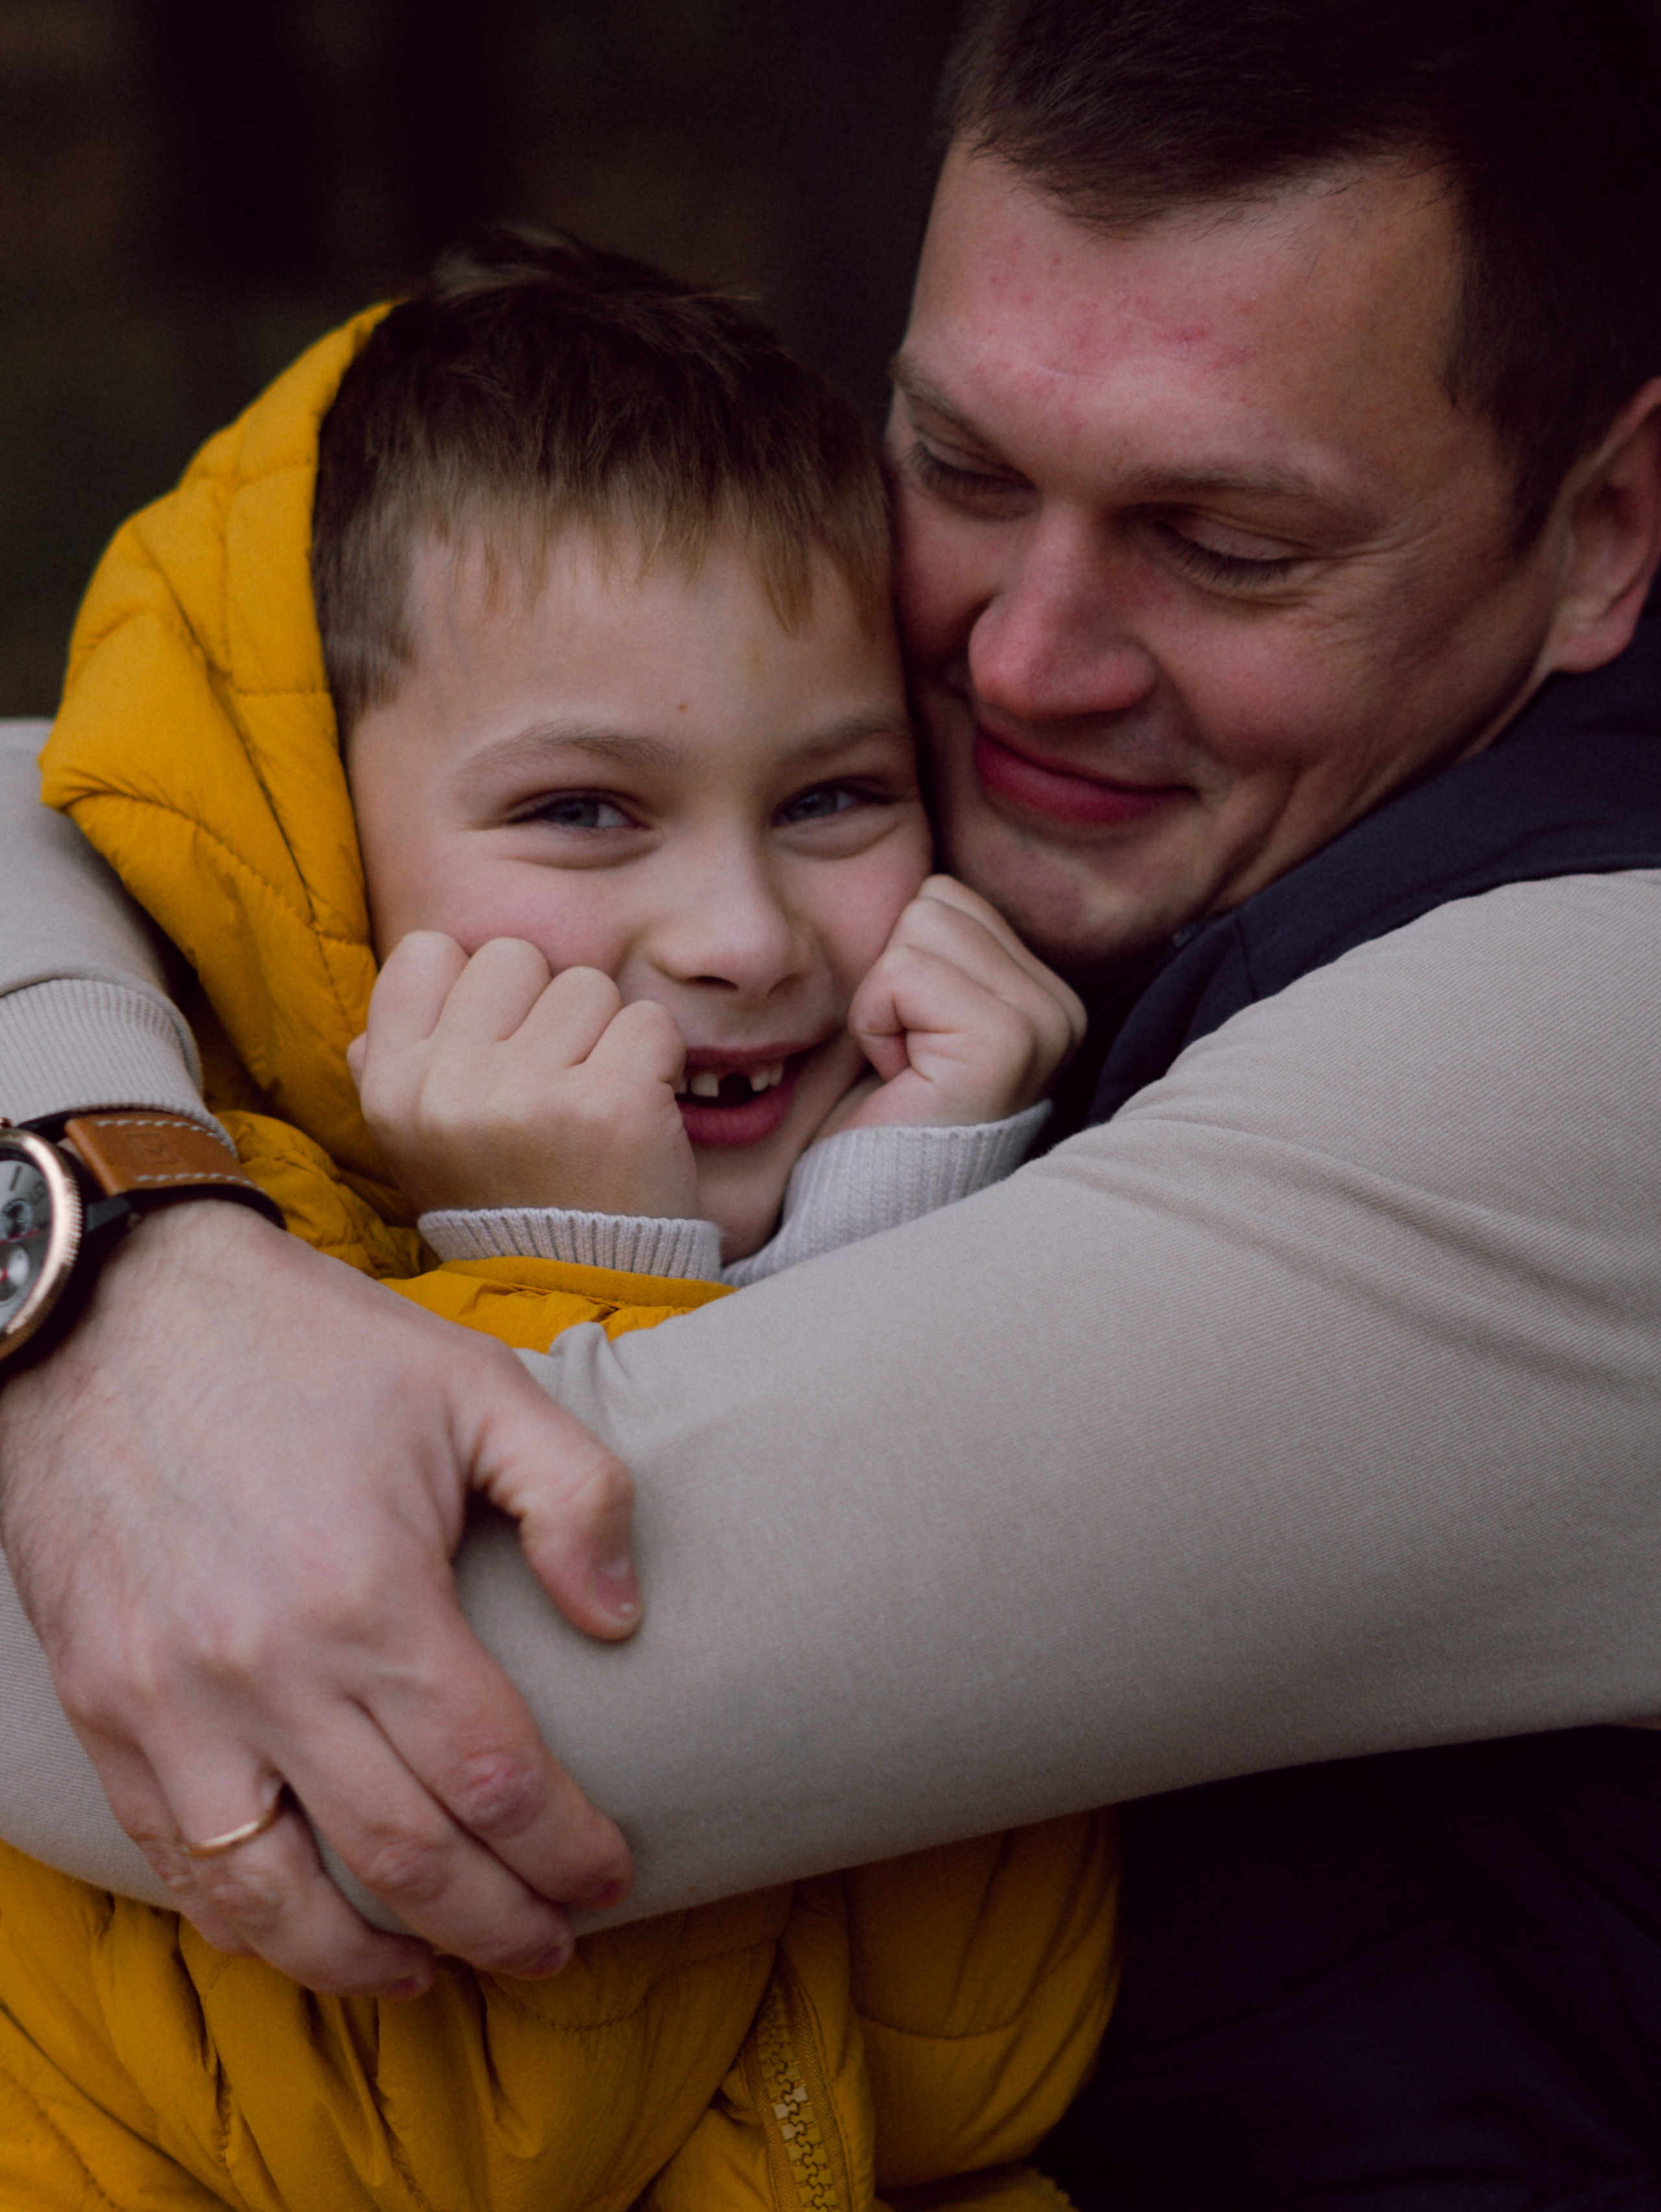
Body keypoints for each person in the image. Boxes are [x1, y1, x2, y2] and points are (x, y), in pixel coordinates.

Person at [1, 0, 1660, 2200]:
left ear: (1604, 528)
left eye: (1229, 545)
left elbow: (423, 1714)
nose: (1016, 659)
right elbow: (58, 778)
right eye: (960, 471)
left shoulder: (1587, 1044)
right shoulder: (964, 831)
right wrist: (113, 1252)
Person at [0, 233, 1114, 2209]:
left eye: (839, 796)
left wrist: (890, 1263)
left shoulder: (916, 1190)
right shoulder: (164, 1348)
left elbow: (983, 2065)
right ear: (312, 831)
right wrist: (580, 1289)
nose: (744, 936)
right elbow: (469, 2145)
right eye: (589, 811)